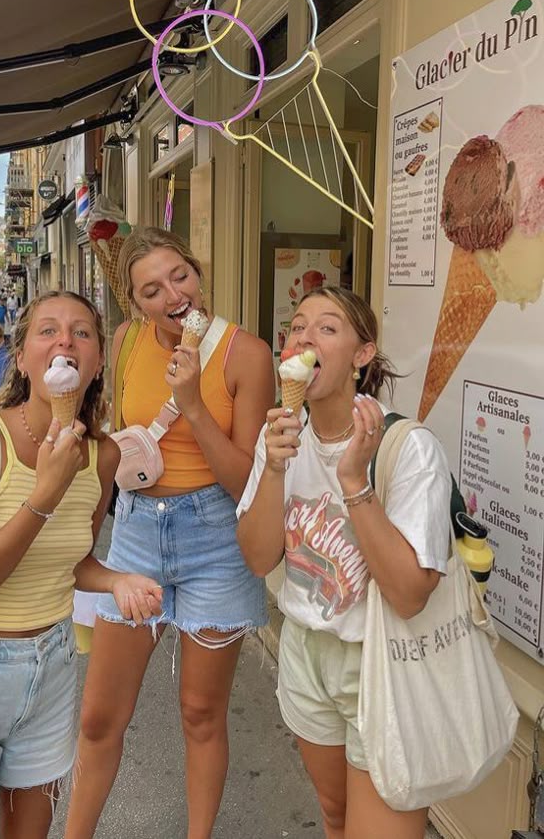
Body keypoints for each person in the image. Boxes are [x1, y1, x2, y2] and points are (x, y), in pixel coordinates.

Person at [65, 227, 275, 839]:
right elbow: (112, 444)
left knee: (201, 714)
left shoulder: (247, 355)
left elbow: (248, 485)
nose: (172, 295)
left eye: (179, 276)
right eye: (151, 289)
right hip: (135, 535)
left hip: (216, 537)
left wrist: (194, 403)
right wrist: (89, 523)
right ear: (135, 303)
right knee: (101, 716)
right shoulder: (127, 343)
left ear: (196, 269)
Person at [0, 290, 162, 839]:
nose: (65, 342)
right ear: (22, 356)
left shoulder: (103, 455)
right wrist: (44, 495)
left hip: (53, 663)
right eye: (48, 331)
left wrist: (116, 578)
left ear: (98, 360)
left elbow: (72, 560)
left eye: (82, 333)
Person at [236, 286, 451, 839]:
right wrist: (276, 469)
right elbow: (260, 558)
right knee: (335, 816)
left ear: (362, 354)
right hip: (307, 651)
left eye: (327, 328)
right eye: (298, 326)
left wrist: (354, 482)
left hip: (387, 659)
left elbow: (408, 593)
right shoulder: (281, 437)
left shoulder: (409, 448)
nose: (305, 336)